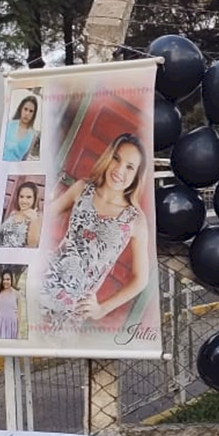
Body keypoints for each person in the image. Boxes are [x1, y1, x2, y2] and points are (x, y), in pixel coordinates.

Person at [39, 133, 151, 331]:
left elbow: (141, 278)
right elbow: (43, 219)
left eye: (129, 167)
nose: (119, 170)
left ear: (136, 175)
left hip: (71, 310)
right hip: (41, 284)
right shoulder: (82, 189)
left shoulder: (136, 220)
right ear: (108, 157)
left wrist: (102, 309)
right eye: (116, 158)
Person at [0, 181, 42, 248]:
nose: (24, 201)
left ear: (35, 199)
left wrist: (34, 220)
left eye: (28, 197)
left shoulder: (37, 217)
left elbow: (32, 245)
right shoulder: (13, 213)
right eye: (21, 196)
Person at [1, 95, 39, 162]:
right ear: (21, 108)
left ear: (34, 114)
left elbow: (24, 159)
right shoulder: (9, 125)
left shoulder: (33, 135)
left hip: (15, 170)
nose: (27, 113)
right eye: (25, 109)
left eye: (31, 111)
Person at [0, 270, 21, 340]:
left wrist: (18, 332)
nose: (5, 282)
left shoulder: (16, 294)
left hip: (12, 325)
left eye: (8, 279)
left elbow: (19, 314)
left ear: (11, 279)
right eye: (4, 279)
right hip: (0, 324)